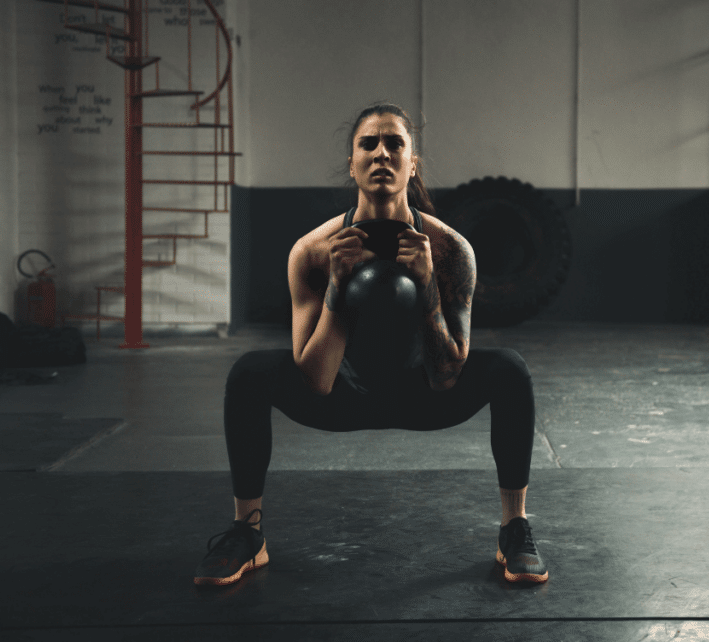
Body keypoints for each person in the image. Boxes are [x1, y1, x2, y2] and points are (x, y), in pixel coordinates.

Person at [194, 103, 548, 587]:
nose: (382, 153)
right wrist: (339, 288)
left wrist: (427, 290)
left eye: (395, 144)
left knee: (509, 369)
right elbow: (315, 380)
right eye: (369, 144)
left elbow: (447, 375)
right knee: (249, 374)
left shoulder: (448, 250)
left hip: (424, 394)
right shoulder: (314, 251)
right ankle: (247, 534)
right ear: (353, 161)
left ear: (412, 162)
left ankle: (515, 528)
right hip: (341, 394)